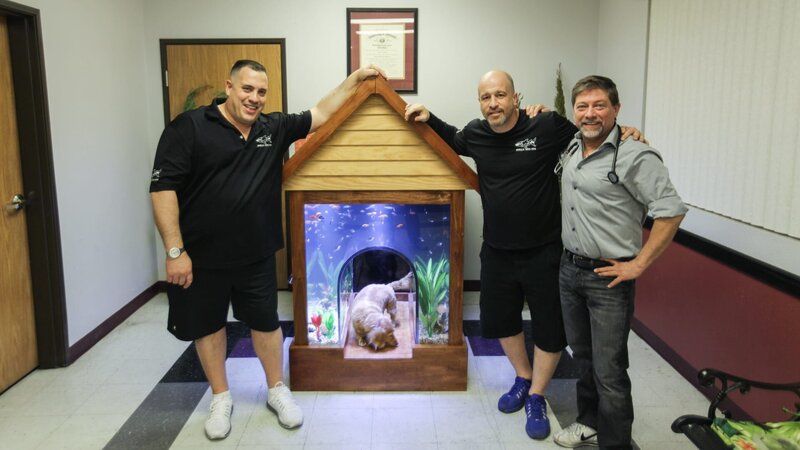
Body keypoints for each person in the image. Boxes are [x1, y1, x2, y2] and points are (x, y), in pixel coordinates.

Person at [149, 60, 384, 440]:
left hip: (256, 254)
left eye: (261, 92)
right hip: (201, 257)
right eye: (247, 89)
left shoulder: (271, 128)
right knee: (209, 328)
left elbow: (321, 113)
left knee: (266, 324)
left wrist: (355, 80)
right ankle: (221, 397)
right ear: (229, 86)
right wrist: (175, 252)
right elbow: (163, 190)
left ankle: (277, 389)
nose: (254, 98)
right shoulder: (189, 128)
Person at [404, 70, 642, 440]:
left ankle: (536, 394)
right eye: (486, 97)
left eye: (500, 95)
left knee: (550, 328)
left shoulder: (545, 126)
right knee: (501, 321)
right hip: (497, 251)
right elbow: (452, 138)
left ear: (516, 98)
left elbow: (591, 131)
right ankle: (523, 376)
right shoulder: (477, 134)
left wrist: (626, 132)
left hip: (545, 252)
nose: (493, 103)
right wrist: (427, 116)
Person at [552, 75, 686, 449]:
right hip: (569, 270)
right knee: (583, 358)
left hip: (609, 278)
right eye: (583, 106)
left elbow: (671, 212)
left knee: (609, 370)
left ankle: (615, 443)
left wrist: (638, 265)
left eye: (599, 105)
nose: (590, 113)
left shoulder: (635, 154)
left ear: (616, 109)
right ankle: (588, 422)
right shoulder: (571, 148)